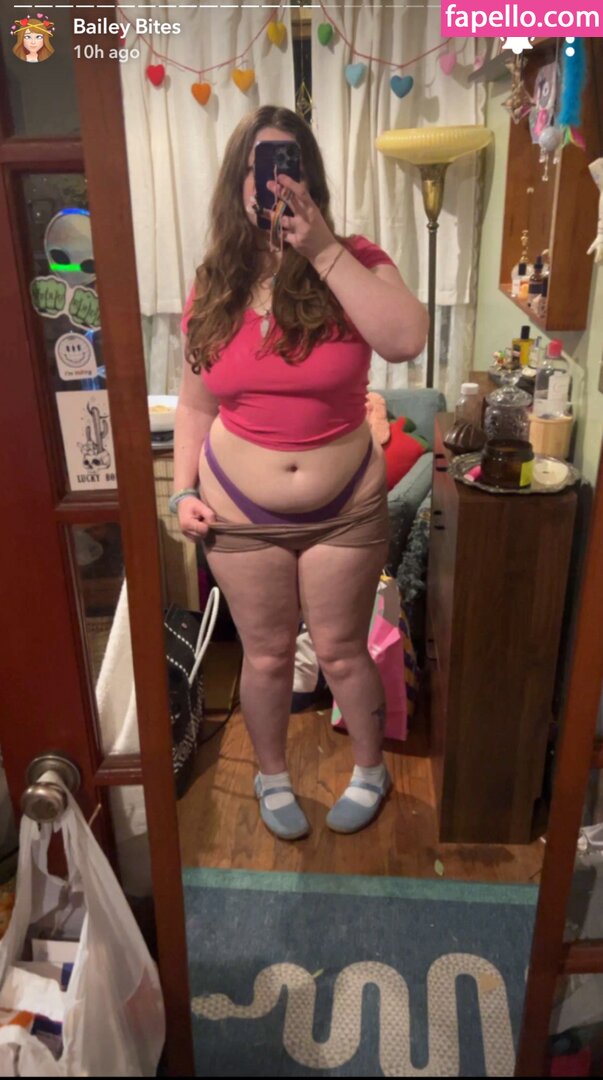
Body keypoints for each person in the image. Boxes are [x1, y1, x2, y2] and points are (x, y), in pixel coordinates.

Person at [174, 106, 428, 841]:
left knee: (343, 652)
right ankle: (272, 774)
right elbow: (195, 402)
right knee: (267, 656)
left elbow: (405, 338)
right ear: (239, 181)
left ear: (311, 177)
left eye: (291, 165)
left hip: (344, 507)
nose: (277, 181)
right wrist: (181, 489)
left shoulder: (356, 258)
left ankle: (371, 770)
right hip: (236, 509)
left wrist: (319, 249)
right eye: (263, 166)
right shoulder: (215, 282)